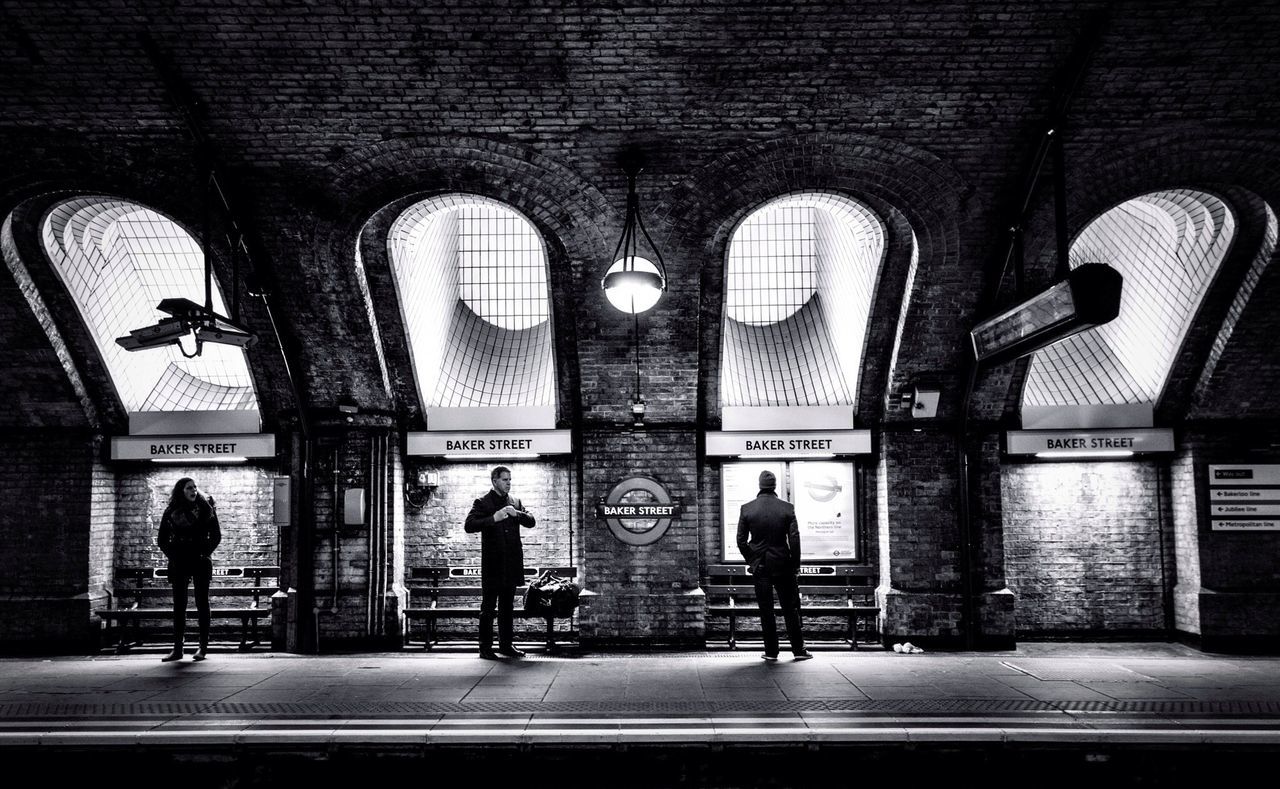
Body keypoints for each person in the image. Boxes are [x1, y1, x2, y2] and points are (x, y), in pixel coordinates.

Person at [736, 469, 812, 661]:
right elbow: (794, 539)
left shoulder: (747, 509)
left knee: (766, 609)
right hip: (783, 565)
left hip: (761, 566)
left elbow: (741, 540)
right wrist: (795, 564)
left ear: (760, 485)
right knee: (790, 608)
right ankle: (798, 650)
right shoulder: (787, 508)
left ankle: (771, 652)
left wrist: (753, 561)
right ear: (775, 486)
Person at [464, 466, 536, 659]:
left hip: (511, 564)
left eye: (510, 480)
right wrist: (492, 519)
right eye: (505, 480)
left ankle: (506, 645)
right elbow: (469, 525)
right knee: (488, 607)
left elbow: (531, 521)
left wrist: (517, 514)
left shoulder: (516, 502)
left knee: (507, 607)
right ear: (495, 481)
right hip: (493, 565)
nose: (509, 483)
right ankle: (485, 648)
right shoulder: (482, 502)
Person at [157, 477, 221, 662]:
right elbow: (162, 539)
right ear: (181, 491)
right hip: (180, 560)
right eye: (189, 488)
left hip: (200, 559)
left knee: (202, 603)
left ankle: (202, 647)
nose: (193, 490)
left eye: (195, 487)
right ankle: (178, 649)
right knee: (179, 605)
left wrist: (205, 552)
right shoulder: (171, 512)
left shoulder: (206, 509)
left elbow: (216, 535)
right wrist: (173, 555)